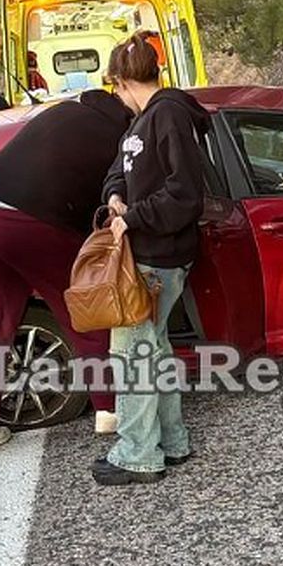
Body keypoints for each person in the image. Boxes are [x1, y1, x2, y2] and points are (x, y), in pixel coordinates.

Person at [0, 89, 130, 458]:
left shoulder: (61, 112)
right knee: (83, 310)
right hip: (33, 220)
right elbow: (102, 203)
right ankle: (109, 408)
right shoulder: (116, 138)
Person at [95, 32, 210, 486]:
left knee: (133, 355)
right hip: (146, 254)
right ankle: (171, 441)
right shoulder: (142, 122)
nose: (118, 97)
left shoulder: (168, 117)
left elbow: (185, 194)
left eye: (116, 87)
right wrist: (116, 193)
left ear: (122, 80)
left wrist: (134, 218)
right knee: (153, 348)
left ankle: (139, 453)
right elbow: (117, 171)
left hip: (156, 257)